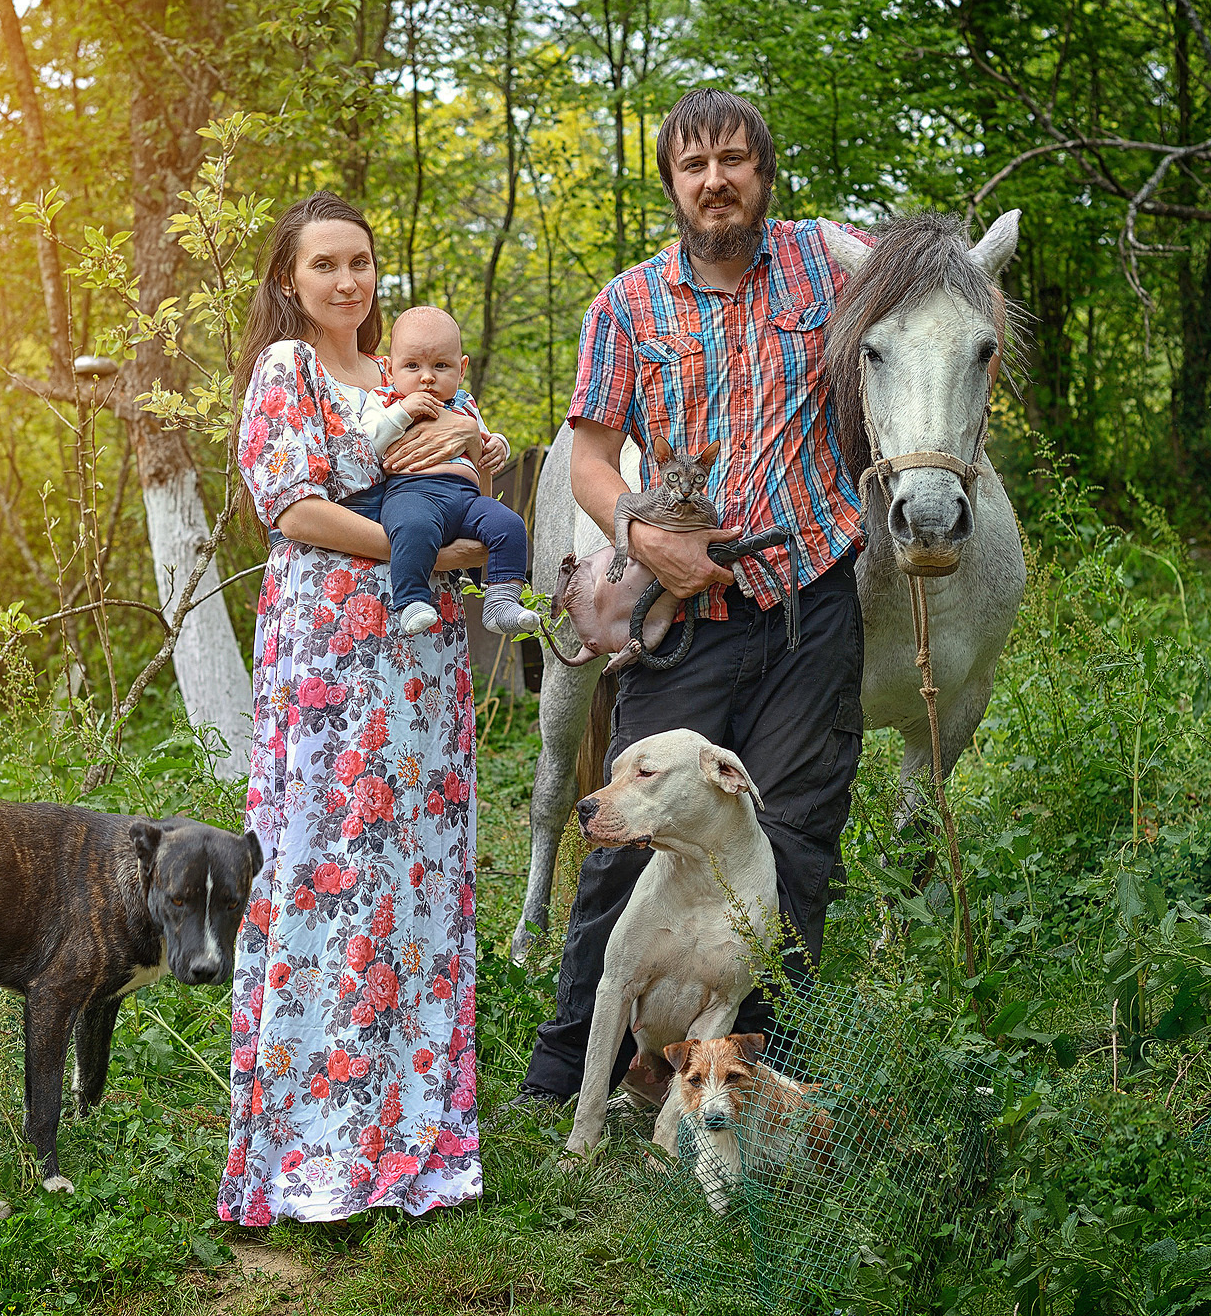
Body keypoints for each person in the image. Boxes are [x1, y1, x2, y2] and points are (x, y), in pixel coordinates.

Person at [517, 89, 871, 1110]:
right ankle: (563, 1076)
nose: (715, 181)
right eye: (693, 165)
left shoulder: (828, 265)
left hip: (808, 603)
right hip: (684, 626)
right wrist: (645, 542)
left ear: (764, 171)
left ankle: (765, 1071)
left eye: (733, 160)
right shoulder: (626, 305)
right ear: (672, 184)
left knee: (796, 836)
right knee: (625, 833)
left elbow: (926, 302)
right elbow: (589, 461)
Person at [219, 191, 499, 1225]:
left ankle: (416, 1137)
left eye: (360, 262)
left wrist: (478, 456)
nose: (347, 281)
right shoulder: (286, 370)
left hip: (419, 669)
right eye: (324, 264)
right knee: (324, 875)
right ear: (289, 281)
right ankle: (313, 1150)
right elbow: (292, 507)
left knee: (413, 881)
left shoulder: (402, 372)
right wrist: (427, 553)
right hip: (330, 663)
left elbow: (472, 462)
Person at [345, 306, 542, 637]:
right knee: (413, 529)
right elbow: (368, 444)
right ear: (390, 369)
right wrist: (402, 412)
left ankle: (501, 601)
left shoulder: (465, 404)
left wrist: (499, 445)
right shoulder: (384, 400)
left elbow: (483, 442)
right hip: (412, 495)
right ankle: (411, 601)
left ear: (461, 369)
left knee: (509, 525)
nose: (427, 377)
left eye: (441, 366)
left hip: (467, 500)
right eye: (412, 366)